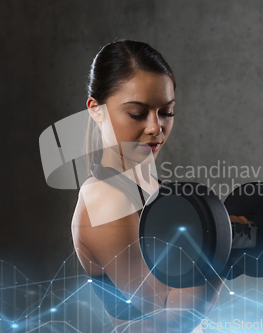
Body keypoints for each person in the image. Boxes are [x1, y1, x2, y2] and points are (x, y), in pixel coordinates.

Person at [71, 40, 223, 333]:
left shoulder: (150, 186)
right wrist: (223, 246)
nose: (156, 127)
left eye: (166, 112)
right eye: (137, 113)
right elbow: (170, 316)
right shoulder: (106, 199)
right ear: (96, 110)